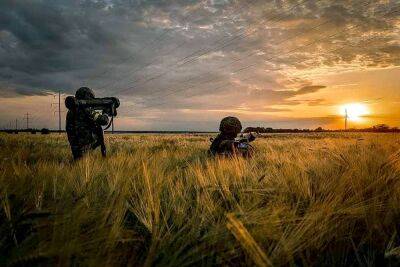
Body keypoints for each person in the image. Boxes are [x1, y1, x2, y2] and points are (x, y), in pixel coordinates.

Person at [66, 87, 109, 160]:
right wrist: (106, 113)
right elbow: (104, 121)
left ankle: (79, 159)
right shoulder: (86, 109)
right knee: (99, 131)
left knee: (78, 160)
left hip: (75, 146)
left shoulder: (70, 111)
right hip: (84, 144)